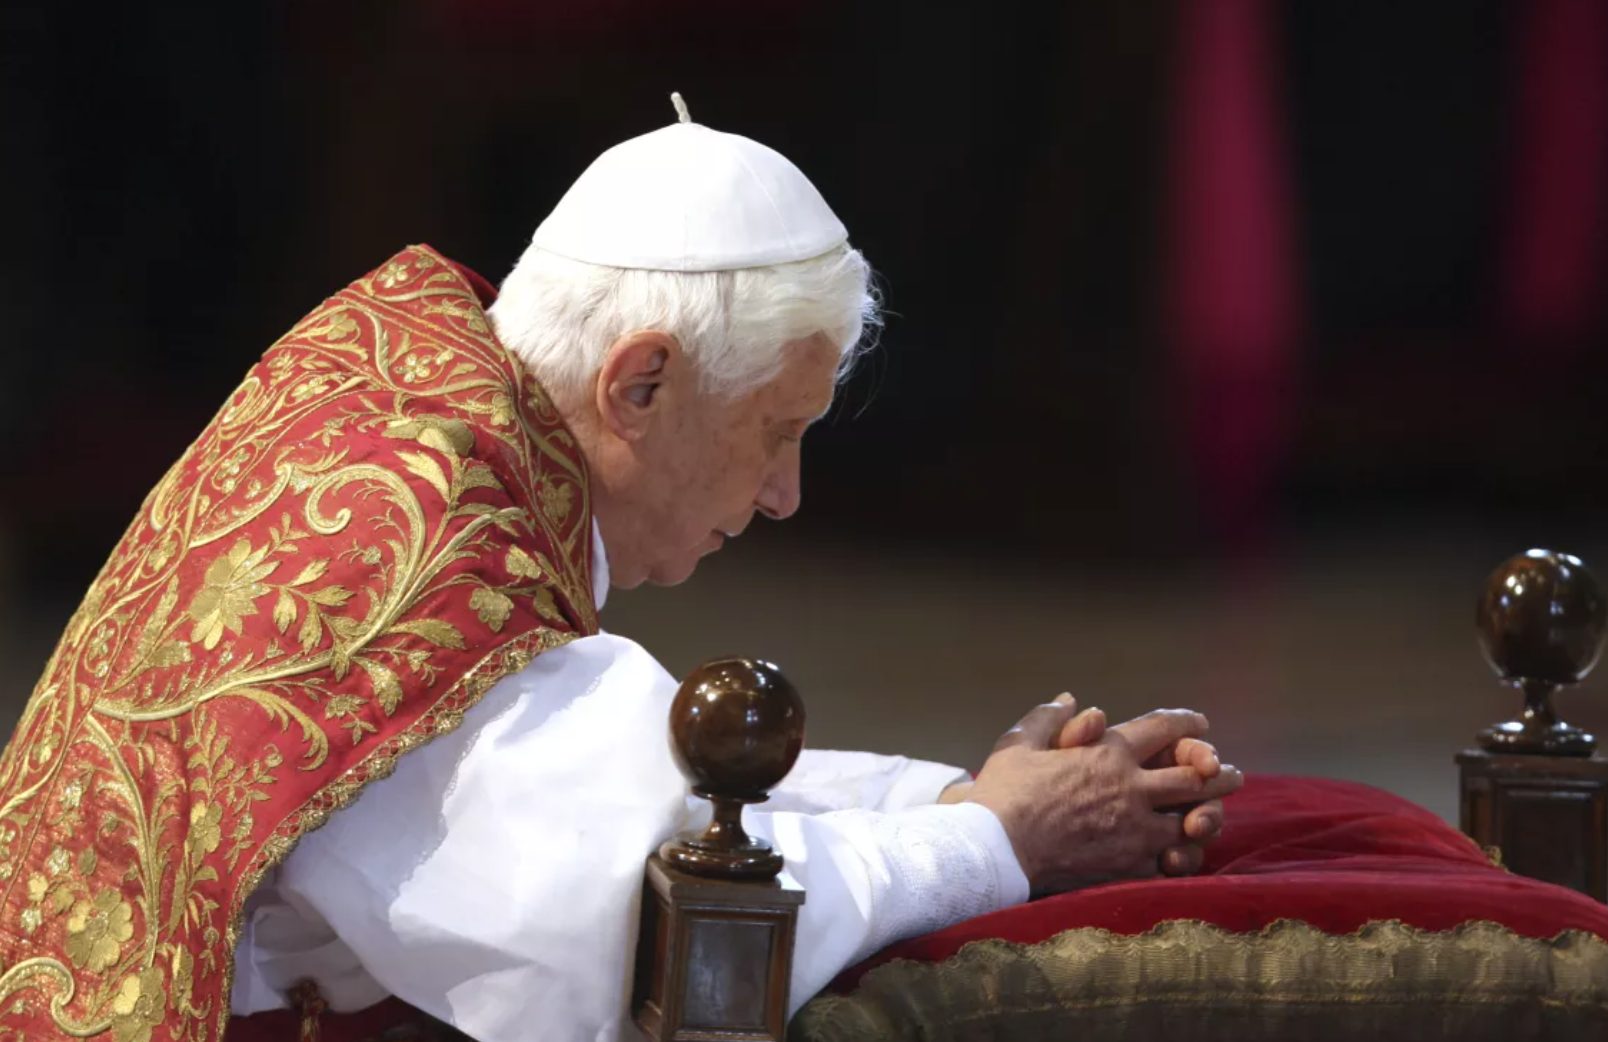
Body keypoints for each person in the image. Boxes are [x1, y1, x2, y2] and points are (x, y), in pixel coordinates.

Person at [0, 97, 1240, 1042]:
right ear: (639, 381)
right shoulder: (420, 551)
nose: (785, 495)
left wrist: (955, 796)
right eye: (774, 432)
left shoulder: (405, 386)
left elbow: (616, 773)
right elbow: (656, 935)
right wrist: (999, 837)